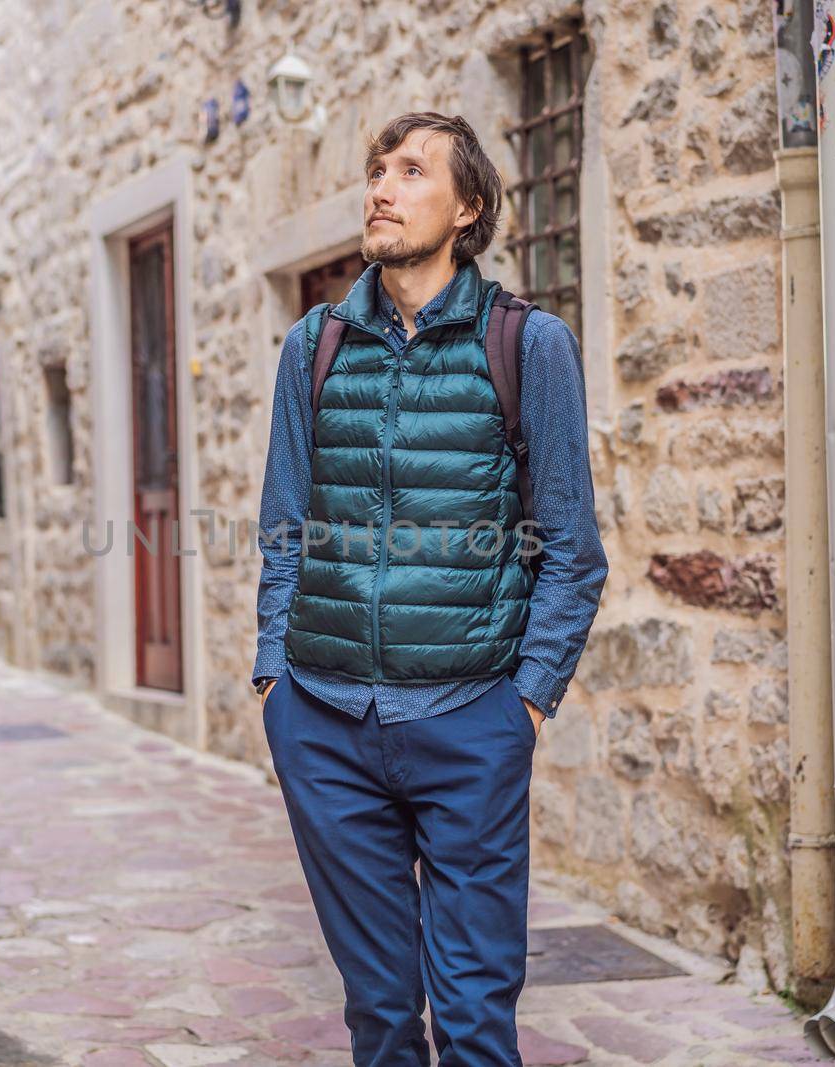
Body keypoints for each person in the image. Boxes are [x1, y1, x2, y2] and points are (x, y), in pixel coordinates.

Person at [251, 111, 609, 1066]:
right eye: (377, 169)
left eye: (412, 171)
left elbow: (573, 550)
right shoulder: (313, 348)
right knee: (378, 1012)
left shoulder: (528, 346)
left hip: (469, 718)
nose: (382, 186)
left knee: (476, 1014)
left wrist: (524, 705)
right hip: (323, 720)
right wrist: (272, 679)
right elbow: (284, 526)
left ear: (469, 208)